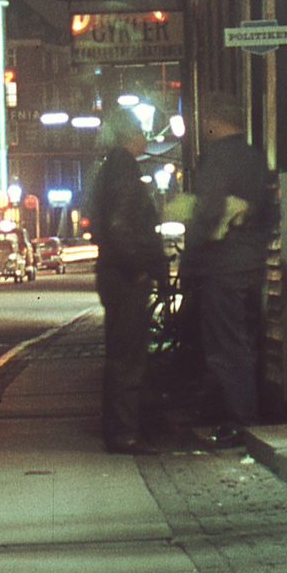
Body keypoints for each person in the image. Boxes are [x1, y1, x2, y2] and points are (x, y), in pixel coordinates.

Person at [181, 91, 276, 448]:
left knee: (225, 346)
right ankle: (243, 413)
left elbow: (209, 211)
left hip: (222, 266)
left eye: (207, 122)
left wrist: (192, 259)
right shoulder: (254, 158)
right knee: (245, 341)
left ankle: (240, 421)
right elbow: (267, 209)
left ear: (215, 123)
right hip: (251, 264)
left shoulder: (217, 159)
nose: (204, 127)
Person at [89, 106, 169, 455]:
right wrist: (139, 267)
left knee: (120, 353)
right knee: (129, 354)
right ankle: (125, 433)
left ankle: (119, 429)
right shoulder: (123, 168)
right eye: (140, 131)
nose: (144, 138)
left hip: (113, 273)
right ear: (129, 135)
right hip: (125, 276)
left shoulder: (109, 168)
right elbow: (121, 225)